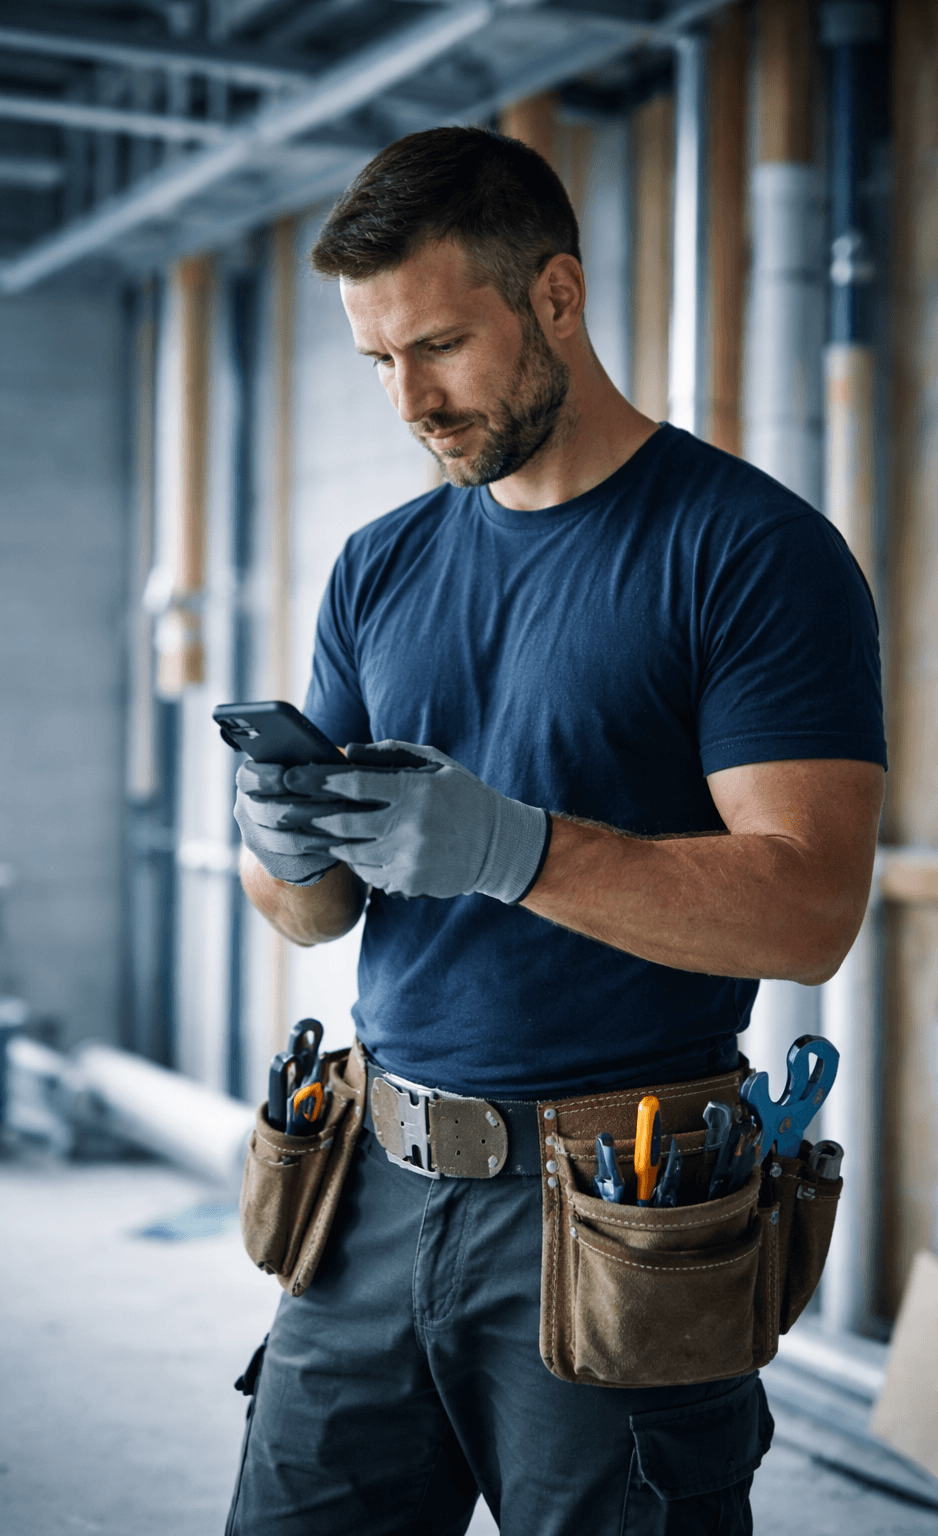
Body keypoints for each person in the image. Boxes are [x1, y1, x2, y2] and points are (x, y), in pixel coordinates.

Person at [227, 127, 886, 1536]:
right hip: (370, 1192)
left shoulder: (749, 553)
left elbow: (810, 907)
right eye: (378, 361)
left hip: (621, 1216)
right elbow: (314, 915)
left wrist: (511, 852)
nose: (410, 399)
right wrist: (285, 846)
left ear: (559, 300)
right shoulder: (379, 564)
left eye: (443, 346)